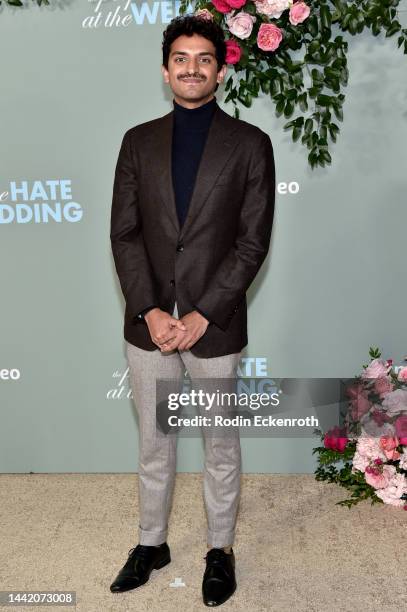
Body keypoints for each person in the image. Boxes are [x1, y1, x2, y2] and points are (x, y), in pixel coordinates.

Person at [109, 13, 275, 607]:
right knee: (156, 445)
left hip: (215, 324)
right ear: (165, 68)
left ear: (220, 68)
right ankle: (152, 543)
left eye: (204, 58)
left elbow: (252, 240)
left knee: (220, 445)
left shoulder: (251, 144)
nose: (192, 68)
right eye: (181, 58)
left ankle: (219, 550)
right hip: (148, 323)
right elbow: (124, 235)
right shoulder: (136, 141)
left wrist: (204, 311)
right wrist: (151, 309)